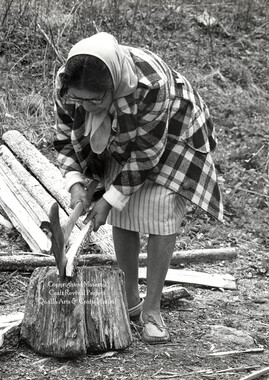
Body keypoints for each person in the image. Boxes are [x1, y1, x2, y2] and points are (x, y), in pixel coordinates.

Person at [53, 32, 223, 344]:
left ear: (113, 85)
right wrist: (77, 183)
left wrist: (108, 199)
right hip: (119, 130)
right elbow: (64, 138)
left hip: (170, 131)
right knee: (125, 214)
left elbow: (147, 154)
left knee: (160, 211)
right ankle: (130, 297)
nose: (85, 107)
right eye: (80, 100)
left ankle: (153, 308)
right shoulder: (68, 82)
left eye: (94, 100)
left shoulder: (150, 85)